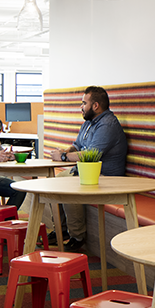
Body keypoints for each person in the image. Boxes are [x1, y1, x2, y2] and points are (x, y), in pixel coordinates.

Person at [50, 85, 127, 250]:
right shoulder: (89, 122)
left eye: (84, 103)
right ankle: (61, 229)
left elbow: (91, 155)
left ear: (95, 105)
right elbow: (77, 146)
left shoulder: (107, 124)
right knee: (54, 182)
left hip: (105, 177)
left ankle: (77, 237)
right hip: (87, 173)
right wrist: (65, 151)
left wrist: (63, 157)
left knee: (68, 187)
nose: (81, 106)